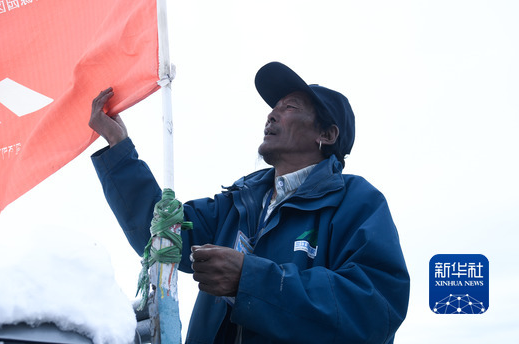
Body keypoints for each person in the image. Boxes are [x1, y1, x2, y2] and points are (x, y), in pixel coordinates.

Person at [89, 61, 410, 343]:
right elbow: (162, 233)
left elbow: (372, 308)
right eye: (274, 107)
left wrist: (251, 281)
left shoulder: (357, 203)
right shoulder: (236, 203)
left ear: (326, 135)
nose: (272, 115)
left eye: (290, 107)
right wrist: (119, 147)